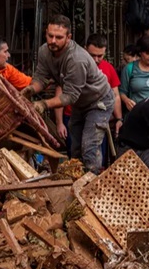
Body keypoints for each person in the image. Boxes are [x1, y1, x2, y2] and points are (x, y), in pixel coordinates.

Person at [21, 15, 114, 174]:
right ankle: (76, 183)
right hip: (81, 103)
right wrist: (31, 89)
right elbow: (41, 78)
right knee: (75, 147)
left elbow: (70, 96)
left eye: (59, 37)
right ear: (46, 33)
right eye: (50, 36)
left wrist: (43, 104)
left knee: (89, 146)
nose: (53, 41)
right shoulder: (44, 50)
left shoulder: (76, 59)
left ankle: (94, 185)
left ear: (69, 37)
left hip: (99, 102)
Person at [54, 33, 123, 161]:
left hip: (96, 114)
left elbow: (115, 95)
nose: (96, 60)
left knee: (91, 151)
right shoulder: (74, 64)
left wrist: (118, 118)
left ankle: (92, 178)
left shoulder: (108, 68)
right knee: (76, 153)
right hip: (72, 114)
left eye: (100, 56)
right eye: (92, 55)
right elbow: (60, 92)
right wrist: (59, 123)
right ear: (85, 49)